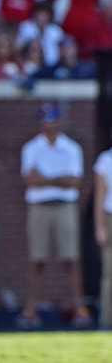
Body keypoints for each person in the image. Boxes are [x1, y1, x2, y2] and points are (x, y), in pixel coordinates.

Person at [16, 103, 91, 329]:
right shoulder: (31, 148)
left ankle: (79, 307)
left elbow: (73, 181)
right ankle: (31, 308)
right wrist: (57, 179)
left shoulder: (71, 148)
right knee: (37, 259)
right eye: (45, 120)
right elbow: (30, 180)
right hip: (39, 207)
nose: (49, 124)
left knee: (71, 259)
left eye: (53, 120)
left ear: (60, 122)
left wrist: (45, 179)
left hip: (65, 206)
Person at [94, 135, 112, 330]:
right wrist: (100, 227)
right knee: (109, 273)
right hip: (110, 216)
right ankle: (107, 320)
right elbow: (100, 195)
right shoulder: (105, 160)